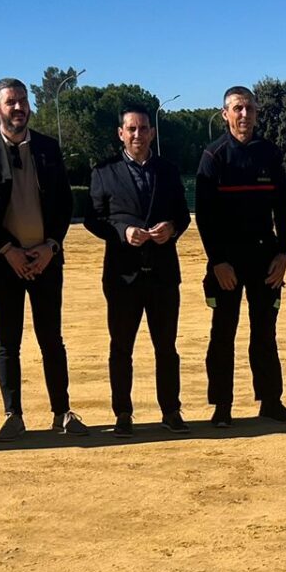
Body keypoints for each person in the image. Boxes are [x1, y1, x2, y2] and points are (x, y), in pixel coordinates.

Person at [0, 77, 88, 439]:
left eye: (22, 101)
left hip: (46, 259)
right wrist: (8, 250)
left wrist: (51, 245)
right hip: (5, 263)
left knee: (52, 338)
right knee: (8, 340)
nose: (18, 108)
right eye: (10, 102)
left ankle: (62, 412)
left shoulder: (48, 147)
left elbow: (64, 202)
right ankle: (13, 414)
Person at [86, 104, 191, 434]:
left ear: (152, 133)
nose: (138, 134)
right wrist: (122, 232)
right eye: (131, 129)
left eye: (143, 128)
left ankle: (171, 410)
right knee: (121, 348)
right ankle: (122, 414)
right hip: (122, 275)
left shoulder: (169, 170)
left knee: (166, 348)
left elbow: (183, 215)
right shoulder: (104, 171)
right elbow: (93, 218)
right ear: (121, 134)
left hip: (162, 274)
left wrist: (172, 227)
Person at [195, 85, 286, 426]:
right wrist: (217, 261)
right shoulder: (213, 156)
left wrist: (284, 252)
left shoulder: (270, 153)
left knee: (265, 333)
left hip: (265, 258)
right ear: (225, 114)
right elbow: (204, 217)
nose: (244, 114)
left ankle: (270, 400)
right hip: (226, 262)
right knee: (223, 333)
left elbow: (283, 208)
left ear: (256, 113)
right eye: (237, 108)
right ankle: (222, 406)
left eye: (249, 108)